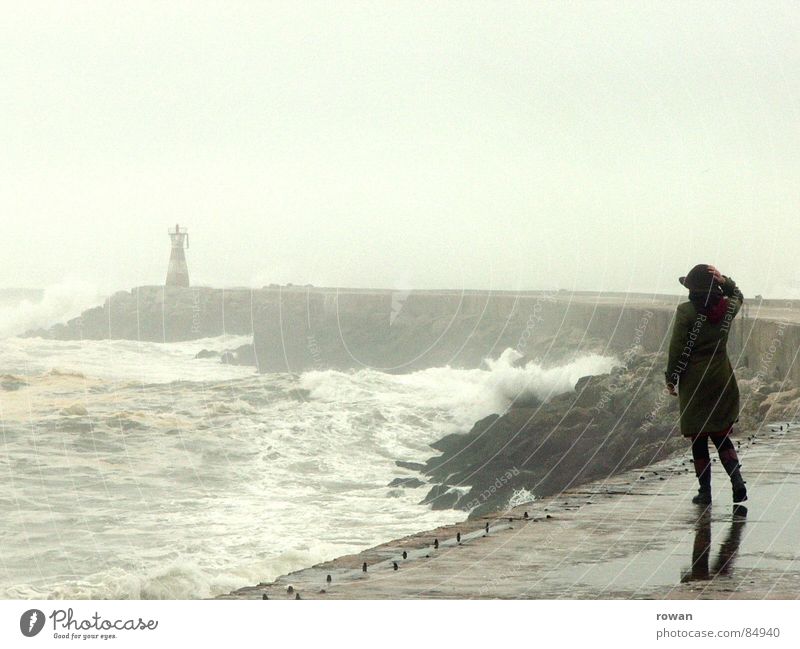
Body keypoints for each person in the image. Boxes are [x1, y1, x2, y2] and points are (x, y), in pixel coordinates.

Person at [665, 264, 747, 505]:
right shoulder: (727, 310)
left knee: (699, 438)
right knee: (721, 435)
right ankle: (737, 483)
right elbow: (738, 296)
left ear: (693, 291)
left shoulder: (686, 312)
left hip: (695, 382)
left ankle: (705, 492)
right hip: (721, 379)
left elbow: (677, 349)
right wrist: (726, 281)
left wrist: (672, 378)